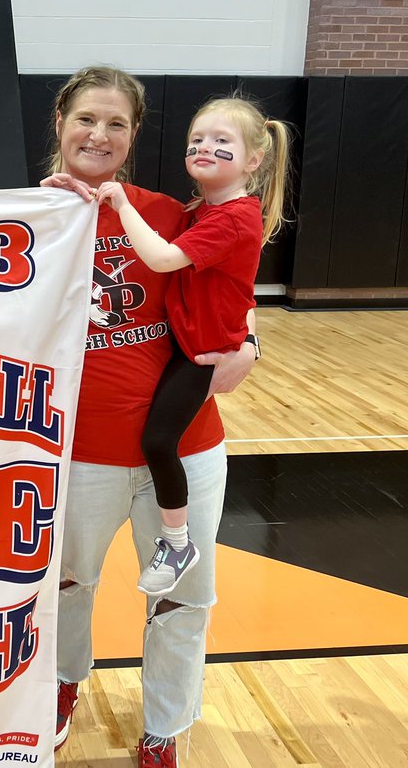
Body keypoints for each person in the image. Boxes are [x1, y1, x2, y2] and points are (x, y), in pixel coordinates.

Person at [40, 67, 257, 767]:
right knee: (65, 583)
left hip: (184, 446)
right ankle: (62, 686)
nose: (98, 135)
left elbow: (231, 286)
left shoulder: (169, 213)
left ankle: (165, 725)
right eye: (86, 119)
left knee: (184, 597)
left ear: (133, 136)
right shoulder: (20, 216)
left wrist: (251, 337)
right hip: (80, 451)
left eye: (116, 124)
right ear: (59, 121)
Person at [95, 97, 290, 599]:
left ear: (253, 161)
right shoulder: (205, 210)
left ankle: (177, 541)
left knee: (158, 442)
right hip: (190, 346)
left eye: (223, 141)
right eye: (198, 139)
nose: (205, 147)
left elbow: (160, 259)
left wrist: (122, 204)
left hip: (201, 356)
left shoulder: (232, 218)